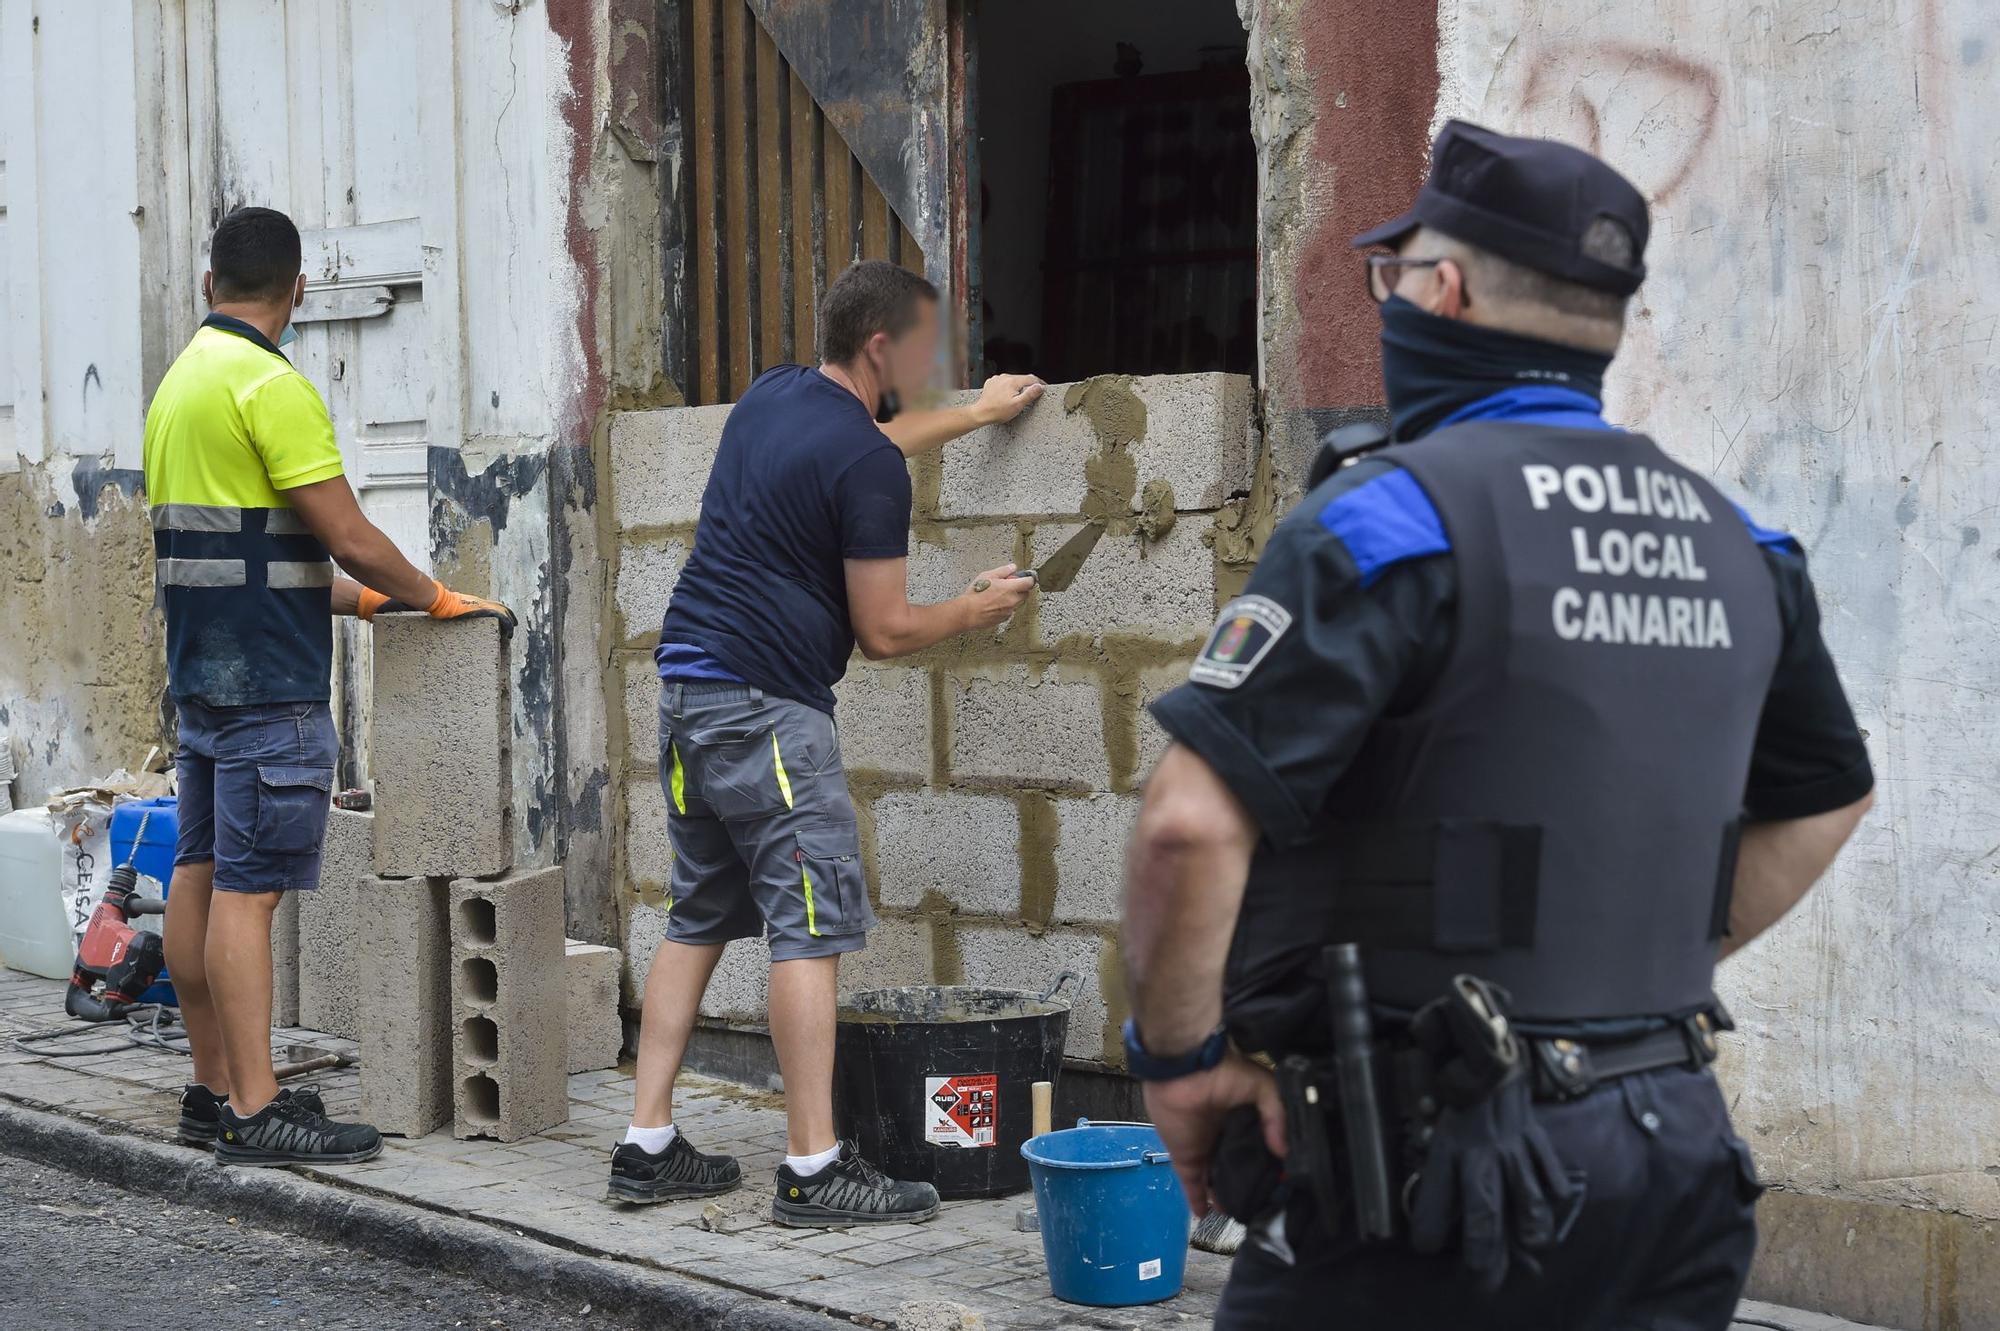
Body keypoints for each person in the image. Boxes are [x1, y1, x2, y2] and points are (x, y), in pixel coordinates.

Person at [1120, 121, 1876, 1328]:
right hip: (1673, 1157)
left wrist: (1177, 1059)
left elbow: (1186, 827)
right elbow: (1828, 797)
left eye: (1394, 273)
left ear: (1443, 289)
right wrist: (1613, 955)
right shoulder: (1744, 547)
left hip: (1435, 1167)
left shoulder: (1389, 521)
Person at [609, 260, 1045, 1224]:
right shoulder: (866, 467)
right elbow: (885, 628)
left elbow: (873, 442)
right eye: (923, 346)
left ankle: (644, 1145)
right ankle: (812, 1166)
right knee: (810, 926)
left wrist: (976, 414)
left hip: (688, 692)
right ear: (881, 347)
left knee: (700, 913)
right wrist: (972, 611)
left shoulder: (775, 396)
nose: (931, 364)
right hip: (768, 711)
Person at [145, 206, 515, 1166]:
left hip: (204, 679)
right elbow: (343, 532)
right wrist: (429, 595)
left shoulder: (178, 386)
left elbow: (248, 552)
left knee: (198, 871)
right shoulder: (271, 387)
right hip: (271, 685)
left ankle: (212, 1085)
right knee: (250, 894)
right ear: (298, 289)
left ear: (208, 285)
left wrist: (358, 606)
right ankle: (262, 1109)